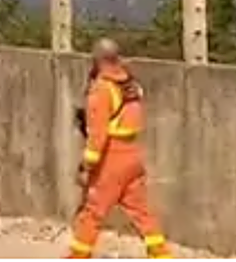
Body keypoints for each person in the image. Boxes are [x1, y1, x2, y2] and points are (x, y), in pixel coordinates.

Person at [67, 38, 172, 259]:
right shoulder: (131, 86)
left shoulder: (102, 89)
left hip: (111, 160)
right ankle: (162, 255)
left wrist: (86, 166)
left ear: (96, 60)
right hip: (133, 156)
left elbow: (98, 137)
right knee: (142, 213)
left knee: (92, 213)